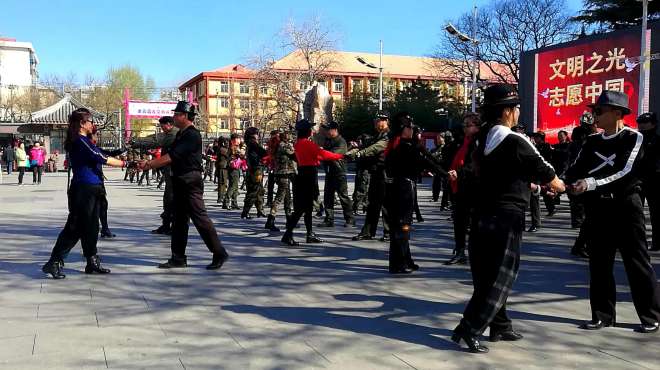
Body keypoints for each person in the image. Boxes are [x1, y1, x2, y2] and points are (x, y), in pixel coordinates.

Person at [452, 84, 565, 353]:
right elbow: (545, 170)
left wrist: (535, 185)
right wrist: (558, 185)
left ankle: (500, 325)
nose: (516, 114)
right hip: (506, 215)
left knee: (485, 272)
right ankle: (469, 327)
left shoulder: (479, 140)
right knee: (502, 274)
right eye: (515, 109)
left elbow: (495, 173)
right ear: (507, 111)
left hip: (481, 213)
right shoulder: (515, 140)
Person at [566, 91, 660, 333]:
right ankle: (602, 314)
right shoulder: (592, 141)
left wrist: (591, 183)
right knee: (598, 263)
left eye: (599, 111)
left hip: (626, 207)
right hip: (598, 208)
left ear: (617, 113)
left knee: (637, 263)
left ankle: (651, 316)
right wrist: (570, 184)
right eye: (594, 111)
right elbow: (576, 168)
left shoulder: (633, 138)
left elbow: (625, 171)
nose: (594, 115)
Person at [138, 101, 228, 270]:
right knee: (179, 220)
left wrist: (149, 165)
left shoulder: (192, 135)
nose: (173, 117)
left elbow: (172, 156)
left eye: (176, 114)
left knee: (199, 217)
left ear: (185, 116)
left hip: (190, 181)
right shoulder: (181, 134)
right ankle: (178, 257)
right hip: (180, 179)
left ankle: (219, 252)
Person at [41, 108, 127, 279]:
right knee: (75, 227)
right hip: (83, 189)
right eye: (90, 121)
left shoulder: (85, 140)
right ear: (82, 123)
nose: (92, 125)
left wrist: (119, 153)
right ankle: (54, 262)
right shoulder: (79, 141)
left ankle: (92, 261)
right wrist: (126, 164)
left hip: (93, 188)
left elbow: (101, 153)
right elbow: (98, 156)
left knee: (92, 227)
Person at [385, 113, 445, 274]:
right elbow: (425, 162)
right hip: (403, 187)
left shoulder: (399, 143)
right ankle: (399, 263)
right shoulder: (404, 146)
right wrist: (444, 174)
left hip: (399, 187)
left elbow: (428, 158)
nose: (412, 130)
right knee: (403, 225)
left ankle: (405, 259)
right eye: (410, 127)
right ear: (403, 129)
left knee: (401, 225)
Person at [281, 119, 343, 246]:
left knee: (307, 207)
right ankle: (288, 234)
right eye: (310, 128)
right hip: (308, 175)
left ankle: (309, 233)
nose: (311, 130)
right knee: (301, 208)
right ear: (306, 131)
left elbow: (316, 155)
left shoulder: (299, 143)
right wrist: (340, 155)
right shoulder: (307, 144)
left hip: (303, 173)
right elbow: (322, 154)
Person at [131, 116, 178, 235]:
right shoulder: (172, 133)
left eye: (162, 126)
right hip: (170, 171)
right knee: (168, 199)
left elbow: (156, 141)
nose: (162, 129)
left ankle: (173, 227)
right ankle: (167, 225)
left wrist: (137, 142)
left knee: (171, 199)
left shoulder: (173, 134)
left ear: (169, 124)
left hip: (175, 172)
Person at [348, 114, 391, 242]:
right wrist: (348, 154)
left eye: (379, 120)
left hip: (385, 173)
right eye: (375, 120)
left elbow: (375, 148)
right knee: (373, 203)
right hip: (376, 172)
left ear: (386, 121)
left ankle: (389, 232)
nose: (376, 123)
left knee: (385, 204)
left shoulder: (388, 135)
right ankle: (368, 231)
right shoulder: (377, 136)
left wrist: (361, 153)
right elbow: (364, 147)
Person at [445, 113, 480, 265]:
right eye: (464, 124)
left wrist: (459, 173)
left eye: (468, 125)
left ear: (477, 126)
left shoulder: (478, 142)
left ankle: (474, 252)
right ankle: (460, 250)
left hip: (473, 188)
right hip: (460, 186)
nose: (464, 127)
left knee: (472, 222)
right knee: (459, 221)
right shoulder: (464, 141)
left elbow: (475, 165)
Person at [318, 121, 355, 228]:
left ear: (335, 130)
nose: (326, 132)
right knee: (328, 196)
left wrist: (321, 152)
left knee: (343, 196)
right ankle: (329, 219)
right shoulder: (328, 140)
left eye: (328, 129)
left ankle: (350, 219)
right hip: (329, 172)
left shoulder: (341, 142)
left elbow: (334, 155)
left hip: (339, 172)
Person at [637, 112, 660, 251]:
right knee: (635, 213)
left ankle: (657, 241)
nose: (642, 125)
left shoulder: (658, 140)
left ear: (653, 124)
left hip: (654, 180)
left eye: (645, 122)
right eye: (640, 122)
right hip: (637, 180)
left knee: (656, 213)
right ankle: (638, 242)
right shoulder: (636, 139)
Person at [265, 130, 296, 232]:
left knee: (287, 198)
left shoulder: (281, 145)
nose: (291, 137)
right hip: (283, 174)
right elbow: (294, 154)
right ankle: (270, 220)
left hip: (284, 174)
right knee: (279, 198)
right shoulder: (284, 145)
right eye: (290, 136)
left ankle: (289, 220)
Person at [241, 127, 267, 219]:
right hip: (255, 169)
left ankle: (260, 210)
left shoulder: (250, 143)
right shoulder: (252, 142)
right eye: (257, 134)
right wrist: (269, 153)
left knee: (259, 191)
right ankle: (245, 212)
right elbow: (262, 152)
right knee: (253, 191)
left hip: (255, 168)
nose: (258, 136)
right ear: (253, 135)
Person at [351, 134, 371, 215]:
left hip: (364, 172)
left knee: (363, 190)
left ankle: (363, 207)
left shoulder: (365, 150)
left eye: (359, 141)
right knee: (361, 190)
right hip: (362, 172)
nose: (358, 142)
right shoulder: (362, 150)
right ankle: (356, 207)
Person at [223, 133, 243, 210]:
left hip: (236, 168)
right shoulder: (233, 147)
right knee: (232, 186)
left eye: (239, 138)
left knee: (235, 186)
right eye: (237, 139)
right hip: (233, 168)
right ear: (233, 140)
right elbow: (242, 154)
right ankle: (226, 202)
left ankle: (234, 202)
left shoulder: (235, 147)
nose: (239, 140)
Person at [430, 134, 445, 202]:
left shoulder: (445, 147)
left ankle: (446, 201)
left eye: (439, 138)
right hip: (437, 168)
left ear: (443, 138)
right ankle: (435, 197)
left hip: (444, 167)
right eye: (437, 138)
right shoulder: (435, 148)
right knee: (436, 183)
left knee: (445, 185)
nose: (438, 140)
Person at [215, 137, 229, 204]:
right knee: (222, 183)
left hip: (222, 167)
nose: (227, 143)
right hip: (222, 167)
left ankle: (221, 196)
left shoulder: (220, 148)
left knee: (223, 183)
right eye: (226, 142)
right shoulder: (222, 149)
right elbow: (228, 155)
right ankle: (220, 197)